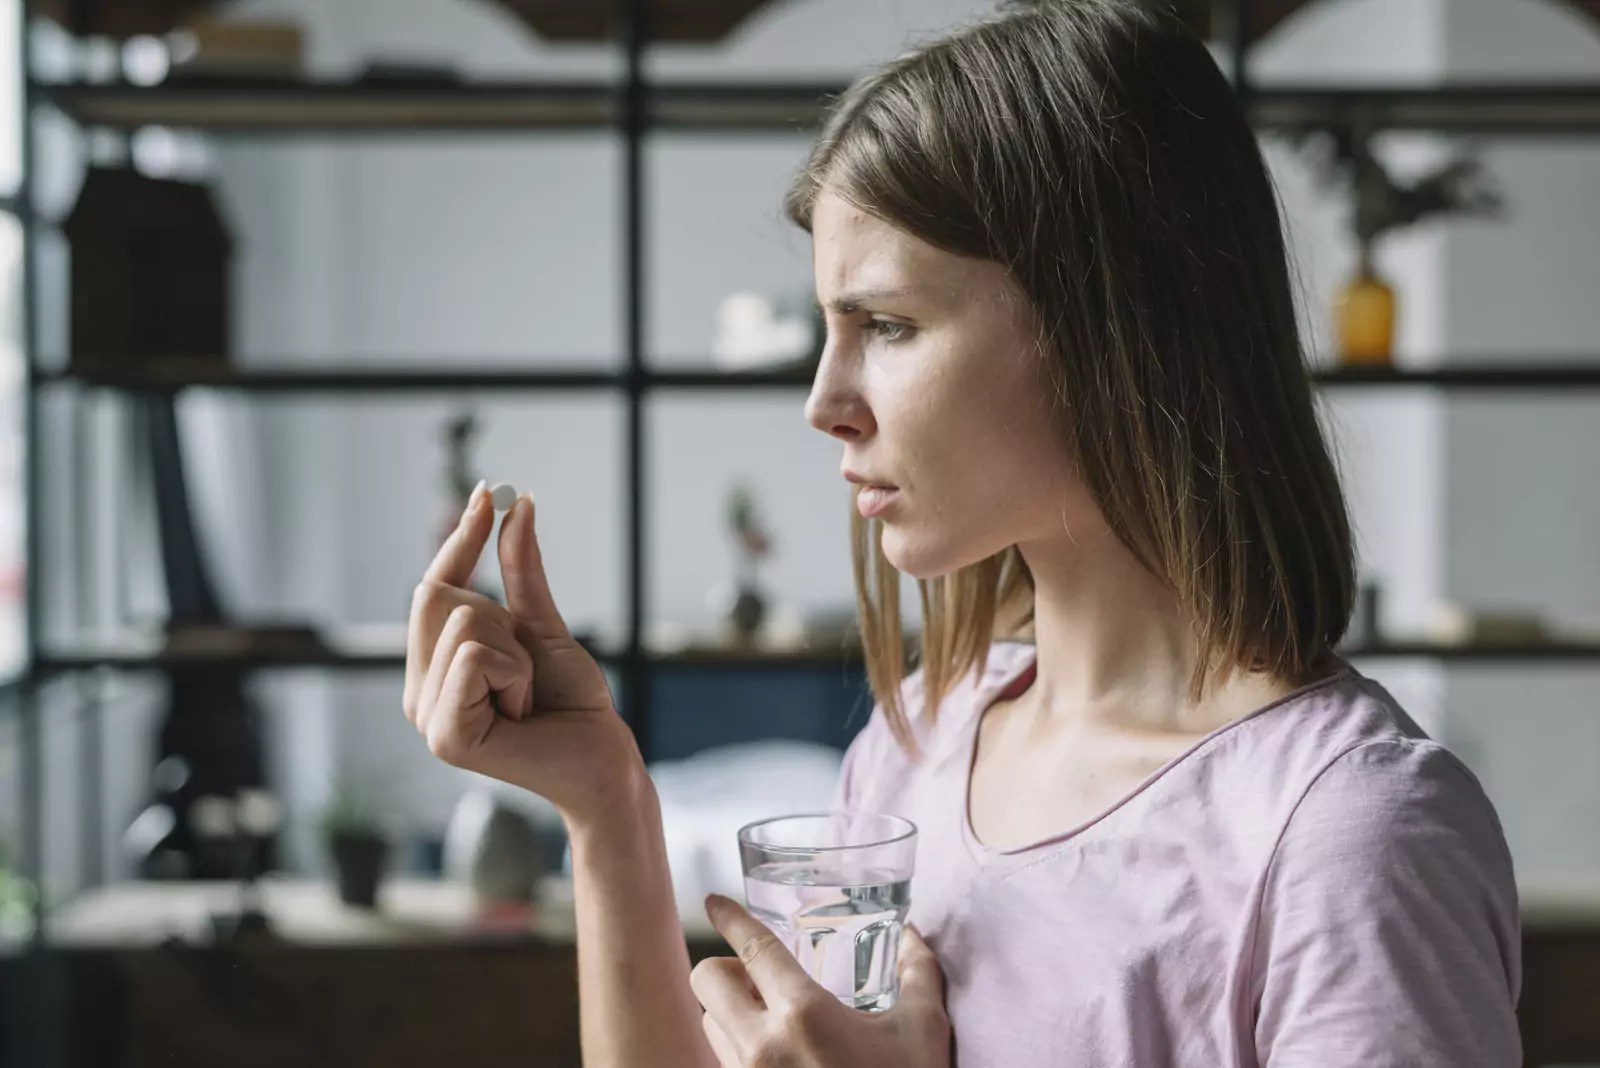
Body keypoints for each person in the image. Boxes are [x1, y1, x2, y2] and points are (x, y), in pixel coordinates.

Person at [402, 1, 1523, 1064]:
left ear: (1110, 327)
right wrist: (604, 800)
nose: (823, 400)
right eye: (827, 330)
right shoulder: (916, 750)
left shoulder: (1350, 833)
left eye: (886, 324)